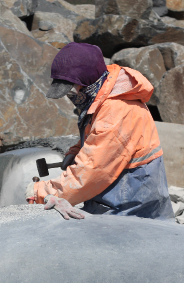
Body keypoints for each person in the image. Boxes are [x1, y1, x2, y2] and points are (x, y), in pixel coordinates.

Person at [26, 42, 175, 221]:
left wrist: (42, 192)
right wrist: (75, 152)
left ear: (88, 82)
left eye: (71, 91)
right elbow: (96, 138)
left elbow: (92, 171)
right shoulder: (102, 95)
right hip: (119, 198)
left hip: (132, 208)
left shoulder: (117, 110)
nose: (70, 97)